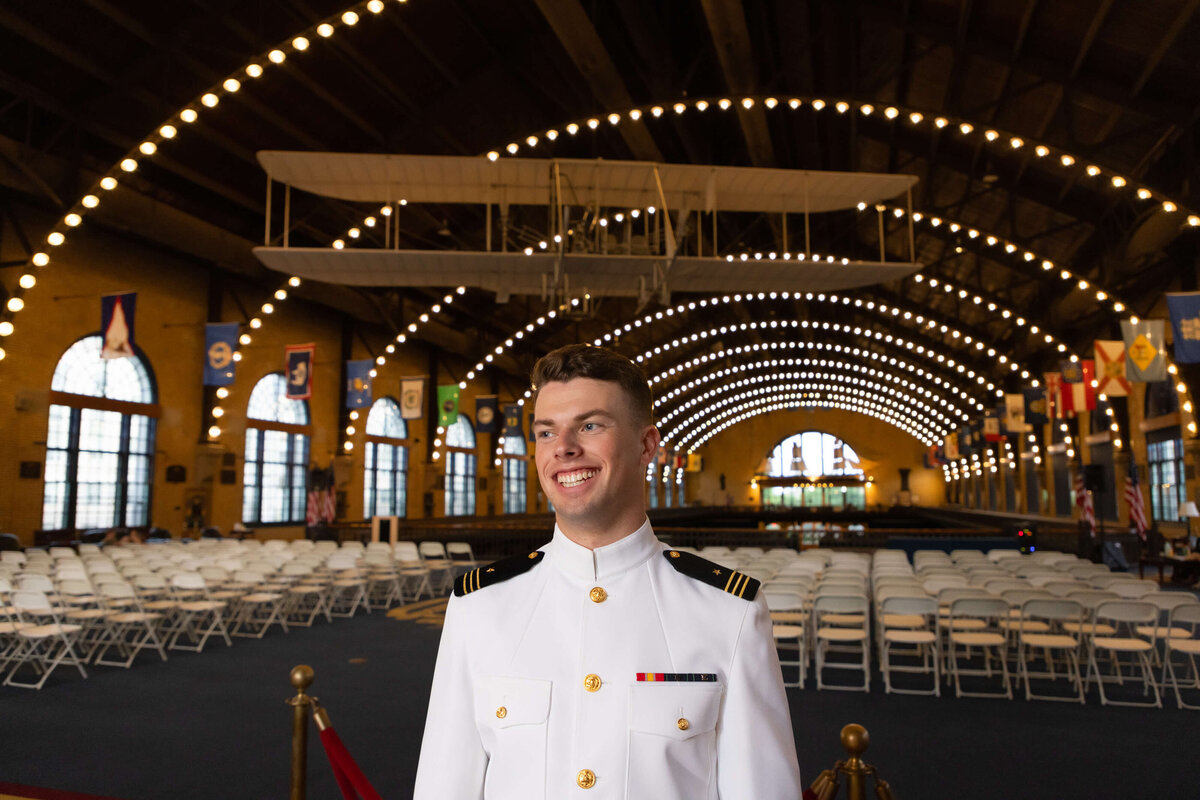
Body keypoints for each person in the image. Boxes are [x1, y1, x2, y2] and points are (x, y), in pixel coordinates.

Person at [414, 344, 802, 799]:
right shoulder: (479, 605)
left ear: (646, 445)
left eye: (590, 425)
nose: (564, 449)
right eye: (546, 432)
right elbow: (444, 786)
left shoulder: (728, 612)